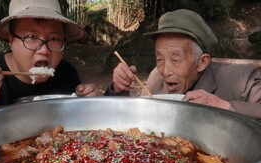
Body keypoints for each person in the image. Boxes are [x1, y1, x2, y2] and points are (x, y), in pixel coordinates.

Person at [0, 0, 101, 126]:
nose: (44, 50)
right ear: (11, 40)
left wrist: (87, 102)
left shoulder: (66, 73)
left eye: (54, 39)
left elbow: (78, 123)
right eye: (31, 37)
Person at [105, 9, 261, 119]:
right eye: (159, 59)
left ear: (202, 62)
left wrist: (226, 107)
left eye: (175, 60)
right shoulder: (156, 78)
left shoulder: (242, 80)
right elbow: (134, 120)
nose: (165, 71)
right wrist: (119, 90)